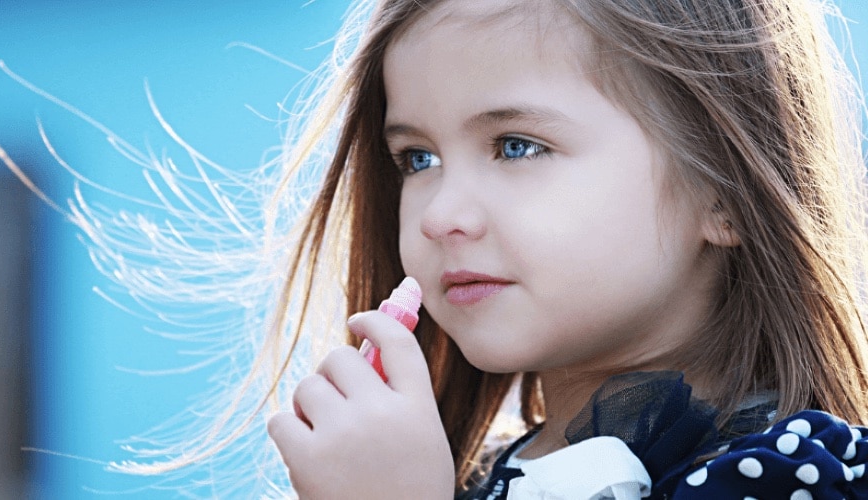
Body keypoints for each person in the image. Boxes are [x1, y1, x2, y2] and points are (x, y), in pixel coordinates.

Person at [254, 0, 868, 498]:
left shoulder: (787, 480)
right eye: (419, 159)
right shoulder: (446, 479)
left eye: (516, 145)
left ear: (722, 192)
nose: (440, 216)